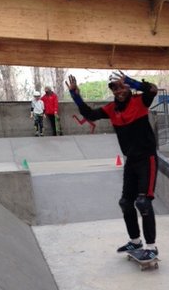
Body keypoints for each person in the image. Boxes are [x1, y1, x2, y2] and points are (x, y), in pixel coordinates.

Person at [66, 71, 159, 261]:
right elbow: (90, 114)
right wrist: (75, 95)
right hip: (131, 161)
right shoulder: (111, 109)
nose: (119, 91)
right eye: (115, 88)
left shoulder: (140, 101)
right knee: (126, 202)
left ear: (128, 87)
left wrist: (133, 82)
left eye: (122, 86)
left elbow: (152, 89)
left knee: (143, 202)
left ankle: (151, 247)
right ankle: (135, 241)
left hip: (146, 159)